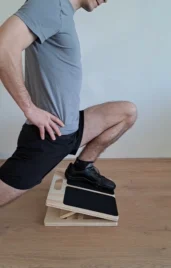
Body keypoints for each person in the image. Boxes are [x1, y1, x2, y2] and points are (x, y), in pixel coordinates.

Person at [0, 0, 137, 207]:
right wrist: (30, 109)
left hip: (71, 128)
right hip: (50, 137)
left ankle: (81, 169)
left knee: (127, 112)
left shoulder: (62, 11)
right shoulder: (49, 4)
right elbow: (4, 47)